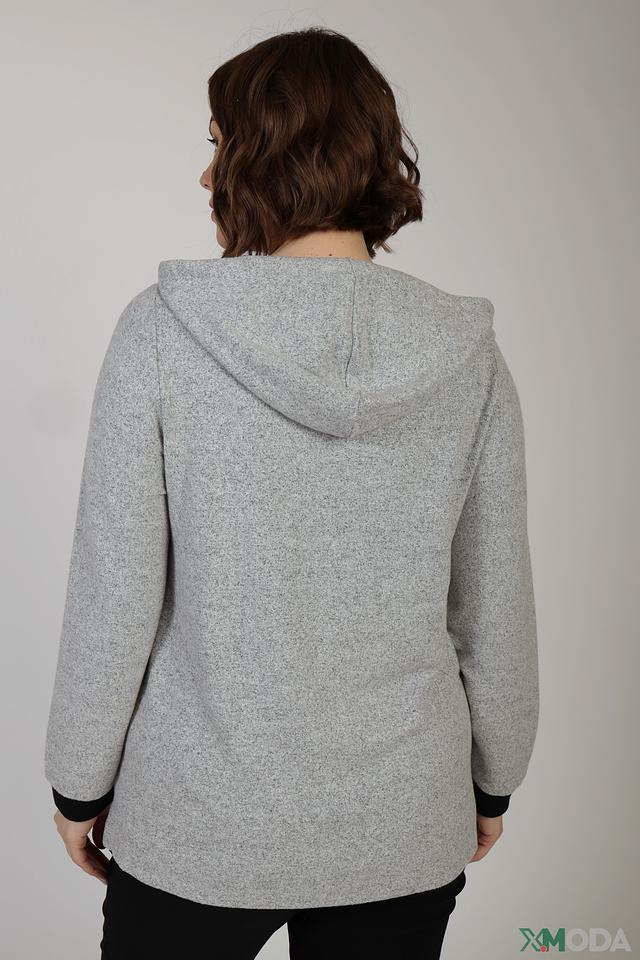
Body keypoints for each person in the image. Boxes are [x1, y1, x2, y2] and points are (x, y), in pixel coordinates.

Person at [44, 26, 539, 960]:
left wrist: (79, 783)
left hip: (198, 820)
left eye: (219, 143)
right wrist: (493, 778)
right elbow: (494, 604)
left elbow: (115, 593)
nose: (207, 176)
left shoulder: (161, 335)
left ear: (267, 154)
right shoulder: (468, 358)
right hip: (401, 820)